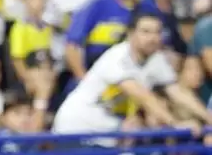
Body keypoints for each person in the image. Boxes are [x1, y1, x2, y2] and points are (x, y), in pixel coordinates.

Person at [53, 11, 211, 136]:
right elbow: (143, 96)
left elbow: (178, 92)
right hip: (75, 128)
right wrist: (175, 124)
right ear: (131, 34)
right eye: (146, 32)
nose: (153, 38)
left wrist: (208, 118)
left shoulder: (156, 58)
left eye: (157, 32)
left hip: (107, 132)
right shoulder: (117, 57)